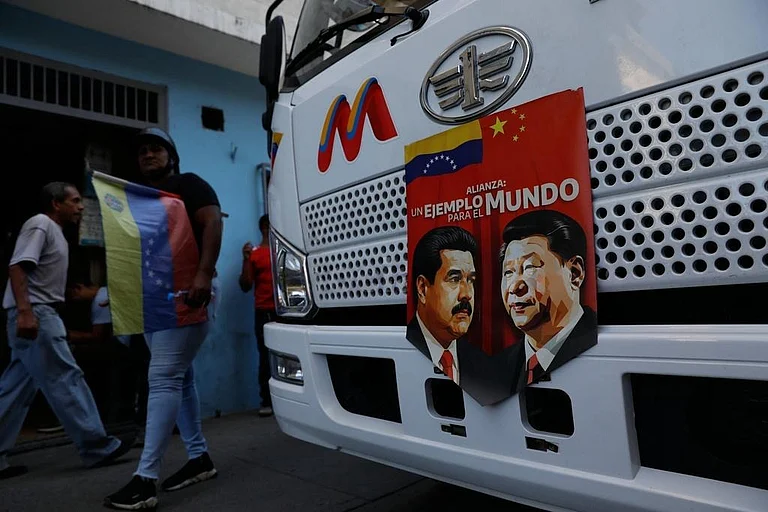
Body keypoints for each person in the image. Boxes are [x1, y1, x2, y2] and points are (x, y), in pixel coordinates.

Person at [105, 128, 223, 510]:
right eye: (142, 150)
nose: (148, 154)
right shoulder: (139, 197)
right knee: (180, 378)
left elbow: (212, 222)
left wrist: (204, 274)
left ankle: (145, 479)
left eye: (156, 148)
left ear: (172, 155)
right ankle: (199, 458)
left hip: (187, 294)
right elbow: (133, 249)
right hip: (155, 299)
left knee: (163, 378)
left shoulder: (189, 184)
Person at [0, 182, 132, 480]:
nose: (81, 206)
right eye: (75, 201)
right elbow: (18, 267)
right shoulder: (41, 223)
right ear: (55, 204)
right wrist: (26, 312)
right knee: (65, 377)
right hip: (37, 313)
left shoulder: (54, 231)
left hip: (36, 313)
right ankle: (97, 446)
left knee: (15, 388)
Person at [406, 226, 510, 406]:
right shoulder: (402, 348)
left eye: (471, 280)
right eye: (454, 279)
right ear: (422, 288)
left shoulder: (483, 365)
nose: (467, 294)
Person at [498, 209, 597, 389]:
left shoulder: (601, 345)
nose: (514, 287)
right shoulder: (497, 368)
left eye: (530, 268)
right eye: (508, 272)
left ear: (575, 273)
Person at [238, 214, 275, 417]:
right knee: (266, 356)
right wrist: (245, 260)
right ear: (264, 228)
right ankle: (267, 401)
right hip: (264, 311)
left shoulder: (284, 251)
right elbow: (245, 286)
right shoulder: (255, 254)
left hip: (287, 311)